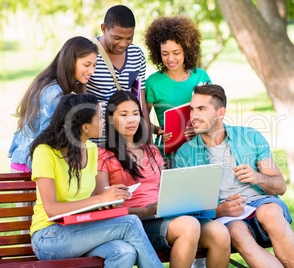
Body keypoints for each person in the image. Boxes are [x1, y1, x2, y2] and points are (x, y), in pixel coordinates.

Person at [174, 84, 294, 268]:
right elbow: (186, 207)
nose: (194, 116)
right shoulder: (185, 155)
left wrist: (257, 177)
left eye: (202, 109)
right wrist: (220, 210)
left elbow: (280, 186)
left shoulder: (250, 137)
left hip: (261, 203)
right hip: (227, 216)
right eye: (192, 109)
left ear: (220, 112)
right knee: (236, 232)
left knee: (271, 212)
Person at [96, 90, 230, 268]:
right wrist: (145, 211)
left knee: (219, 232)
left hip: (166, 216)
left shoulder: (152, 151)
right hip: (136, 223)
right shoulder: (103, 156)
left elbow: (168, 188)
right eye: (124, 114)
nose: (132, 120)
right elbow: (105, 207)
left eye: (136, 114)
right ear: (111, 119)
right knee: (189, 226)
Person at [29, 94, 163, 268]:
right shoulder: (45, 152)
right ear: (85, 127)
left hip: (82, 229)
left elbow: (89, 201)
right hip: (49, 236)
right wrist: (101, 198)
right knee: (130, 223)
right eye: (100, 117)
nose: (104, 121)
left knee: (124, 252)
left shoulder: (92, 150)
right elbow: (52, 210)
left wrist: (108, 201)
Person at [8, 36, 98, 172]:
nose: (92, 71)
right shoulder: (54, 92)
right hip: (31, 168)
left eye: (94, 65)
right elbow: (51, 138)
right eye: (87, 65)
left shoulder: (50, 83)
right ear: (70, 61)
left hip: (26, 163)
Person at [144, 16, 211, 163]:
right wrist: (158, 131)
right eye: (165, 54)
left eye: (176, 52)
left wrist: (200, 128)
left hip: (200, 149)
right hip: (168, 154)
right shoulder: (152, 83)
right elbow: (142, 118)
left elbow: (212, 112)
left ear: (186, 50)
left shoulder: (201, 76)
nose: (170, 59)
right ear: (157, 52)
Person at [87, 5, 150, 145]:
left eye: (129, 38)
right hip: (96, 142)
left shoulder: (137, 55)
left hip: (126, 142)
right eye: (117, 38)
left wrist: (147, 139)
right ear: (104, 29)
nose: (123, 44)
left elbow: (140, 99)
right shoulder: (87, 54)